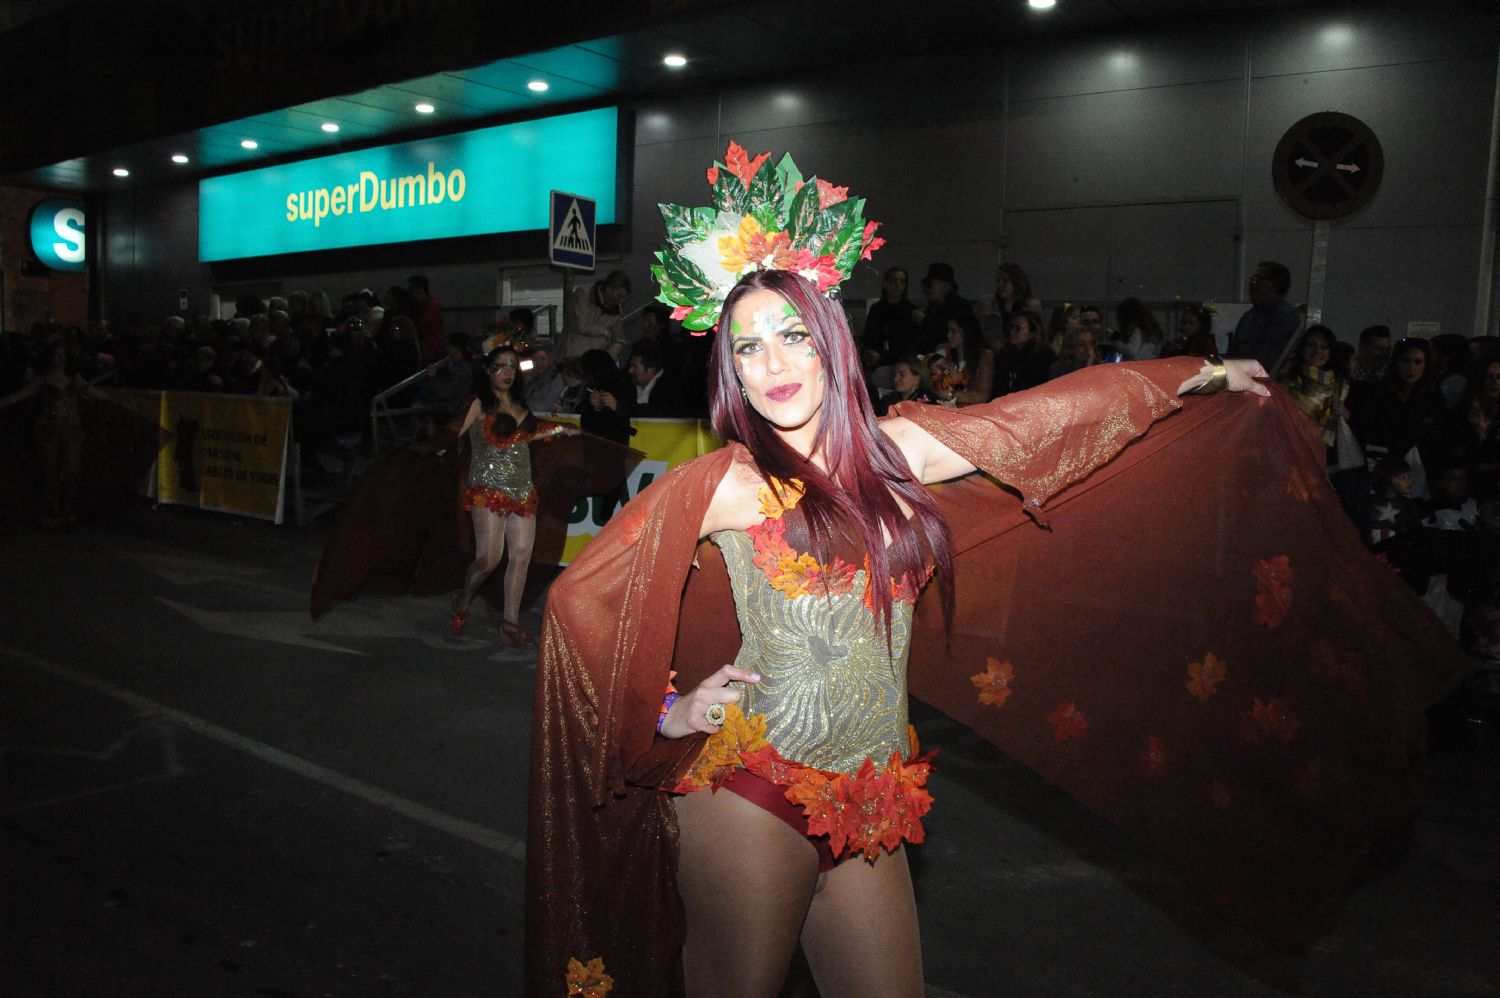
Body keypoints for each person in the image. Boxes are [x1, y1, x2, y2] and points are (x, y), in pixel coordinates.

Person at [530, 143, 1424, 998]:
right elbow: (583, 602)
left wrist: (1203, 373)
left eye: (793, 336)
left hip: (872, 798)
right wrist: (668, 709)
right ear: (727, 367)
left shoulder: (898, 454)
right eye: (747, 347)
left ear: (831, 343)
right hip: (751, 793)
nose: (773, 366)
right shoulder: (722, 483)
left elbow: (1047, 420)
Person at [446, 346, 573, 648]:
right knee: (489, 559)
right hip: (487, 490)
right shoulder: (478, 404)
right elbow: (453, 434)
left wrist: (558, 429)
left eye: (512, 367)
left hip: (521, 489)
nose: (507, 372)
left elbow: (524, 436)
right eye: (500, 366)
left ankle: (509, 623)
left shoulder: (519, 404)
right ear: (488, 371)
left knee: (520, 557)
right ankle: (463, 599)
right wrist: (435, 448)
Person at [0, 342, 98, 526]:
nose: (60, 359)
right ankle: (53, 510)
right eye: (56, 355)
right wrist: (4, 402)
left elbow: (95, 393)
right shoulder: (42, 380)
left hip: (72, 428)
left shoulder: (74, 378)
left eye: (63, 355)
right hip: (48, 429)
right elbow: (19, 396)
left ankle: (67, 507)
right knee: (50, 472)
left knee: (73, 472)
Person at [1227, 260, 1301, 372]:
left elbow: (1270, 360)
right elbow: (1232, 354)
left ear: (1274, 285)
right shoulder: (1249, 316)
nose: (1252, 284)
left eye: (1257, 279)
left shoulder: (1286, 316)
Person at [561, 271, 631, 360]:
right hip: (575, 356)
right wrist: (605, 331)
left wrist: (609, 355)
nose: (621, 301)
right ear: (609, 289)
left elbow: (618, 339)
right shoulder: (583, 294)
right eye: (619, 296)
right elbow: (582, 326)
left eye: (624, 298)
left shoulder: (617, 311)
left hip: (597, 361)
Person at [861, 266, 922, 367]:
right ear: (885, 284)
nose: (898, 285)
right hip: (875, 363)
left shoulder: (911, 311)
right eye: (894, 281)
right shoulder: (876, 309)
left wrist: (884, 357)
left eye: (902, 282)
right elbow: (868, 336)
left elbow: (909, 344)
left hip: (901, 364)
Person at [974, 262, 1041, 352]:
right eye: (997, 281)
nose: (1000, 285)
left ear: (1016, 282)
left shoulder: (1031, 306)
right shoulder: (986, 305)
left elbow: (1037, 336)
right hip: (994, 356)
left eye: (1005, 280)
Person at [990, 309, 1055, 397]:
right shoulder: (1003, 355)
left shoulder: (1044, 357)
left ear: (1032, 332)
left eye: (1017, 328)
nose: (1011, 332)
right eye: (1010, 327)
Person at [913, 262, 975, 355]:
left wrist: (924, 322)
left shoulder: (959, 307)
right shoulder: (933, 309)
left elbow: (946, 336)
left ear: (946, 286)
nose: (927, 290)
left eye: (930, 285)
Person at [627, 341, 689, 418]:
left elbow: (654, 413)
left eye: (635, 366)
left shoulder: (668, 388)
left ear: (650, 369)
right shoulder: (632, 385)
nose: (630, 370)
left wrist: (619, 407)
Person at [408, 275, 446, 362]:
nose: (410, 291)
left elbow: (422, 324)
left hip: (434, 352)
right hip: (425, 352)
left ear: (421, 289)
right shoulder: (417, 307)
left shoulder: (433, 306)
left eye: (412, 288)